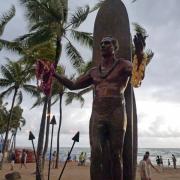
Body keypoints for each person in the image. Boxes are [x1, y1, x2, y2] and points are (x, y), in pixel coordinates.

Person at [52, 35, 145, 180]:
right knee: (95, 152)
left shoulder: (123, 65)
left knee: (116, 154)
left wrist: (139, 53)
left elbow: (137, 79)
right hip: (97, 114)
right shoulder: (93, 72)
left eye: (106, 43)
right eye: (101, 43)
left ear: (114, 47)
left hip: (116, 111)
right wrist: (54, 74)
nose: (102, 45)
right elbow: (73, 85)